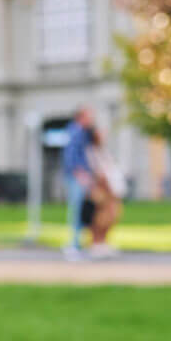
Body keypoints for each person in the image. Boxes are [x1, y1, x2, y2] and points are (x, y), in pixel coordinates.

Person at [85, 126, 126, 257]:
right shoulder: (90, 152)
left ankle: (103, 243)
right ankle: (95, 244)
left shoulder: (103, 151)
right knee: (99, 218)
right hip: (100, 189)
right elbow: (97, 172)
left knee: (111, 216)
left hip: (111, 189)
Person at [62, 106, 94, 259]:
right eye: (89, 116)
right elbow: (71, 155)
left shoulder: (81, 132)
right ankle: (74, 244)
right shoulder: (76, 132)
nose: (91, 119)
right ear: (81, 117)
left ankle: (77, 243)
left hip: (79, 175)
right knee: (77, 210)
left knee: (80, 210)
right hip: (78, 176)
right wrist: (80, 173)